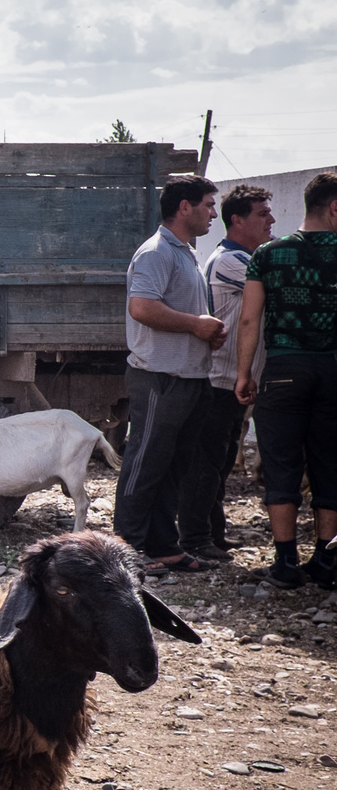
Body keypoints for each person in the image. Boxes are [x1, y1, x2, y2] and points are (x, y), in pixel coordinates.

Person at [112, 174, 226, 573]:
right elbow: (141, 307)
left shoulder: (186, 253)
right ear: (185, 207)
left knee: (173, 466)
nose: (214, 213)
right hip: (160, 379)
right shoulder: (156, 252)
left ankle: (163, 545)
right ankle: (126, 550)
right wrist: (197, 325)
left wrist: (205, 333)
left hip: (189, 379)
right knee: (145, 463)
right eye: (209, 204)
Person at [234, 172, 337, 589]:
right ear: (334, 208)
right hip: (332, 370)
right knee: (330, 466)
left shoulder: (268, 254)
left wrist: (244, 373)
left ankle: (284, 563)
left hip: (283, 370)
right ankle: (327, 563)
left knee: (281, 465)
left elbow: (248, 319)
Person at [177, 184, 275, 562]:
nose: (271, 220)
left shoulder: (241, 258)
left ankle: (212, 534)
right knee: (206, 463)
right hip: (219, 378)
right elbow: (273, 284)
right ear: (238, 221)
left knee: (217, 462)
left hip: (234, 379)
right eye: (262, 214)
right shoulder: (230, 262)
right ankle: (195, 538)